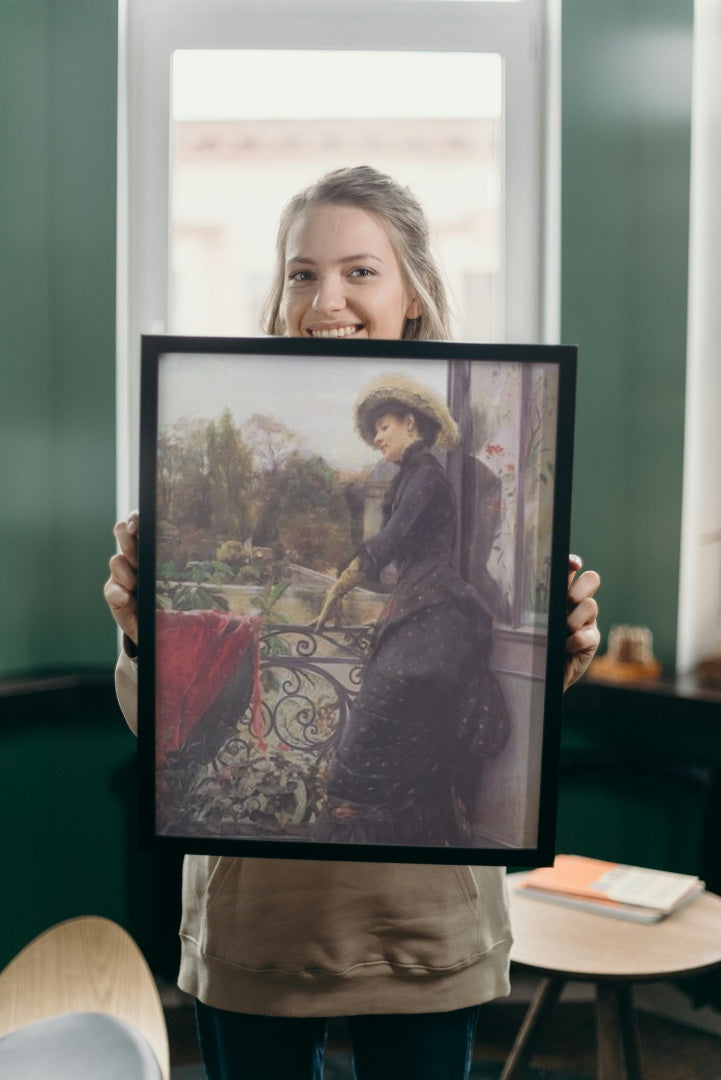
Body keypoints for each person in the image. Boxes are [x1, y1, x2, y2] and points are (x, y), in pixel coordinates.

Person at [105, 166, 601, 1080]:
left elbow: (444, 599)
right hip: (257, 929)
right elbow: (160, 728)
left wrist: (568, 649)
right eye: (301, 272)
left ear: (413, 292)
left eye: (359, 271)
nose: (324, 297)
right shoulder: (217, 412)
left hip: (421, 929)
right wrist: (143, 636)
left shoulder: (445, 475)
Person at [313, 371, 499, 848]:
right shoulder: (410, 476)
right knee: (380, 745)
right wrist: (351, 575)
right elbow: (390, 553)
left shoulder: (428, 476)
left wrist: (344, 581)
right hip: (420, 613)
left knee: (371, 742)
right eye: (374, 429)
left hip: (439, 620)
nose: (377, 437)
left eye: (384, 427)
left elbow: (389, 540)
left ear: (411, 423)